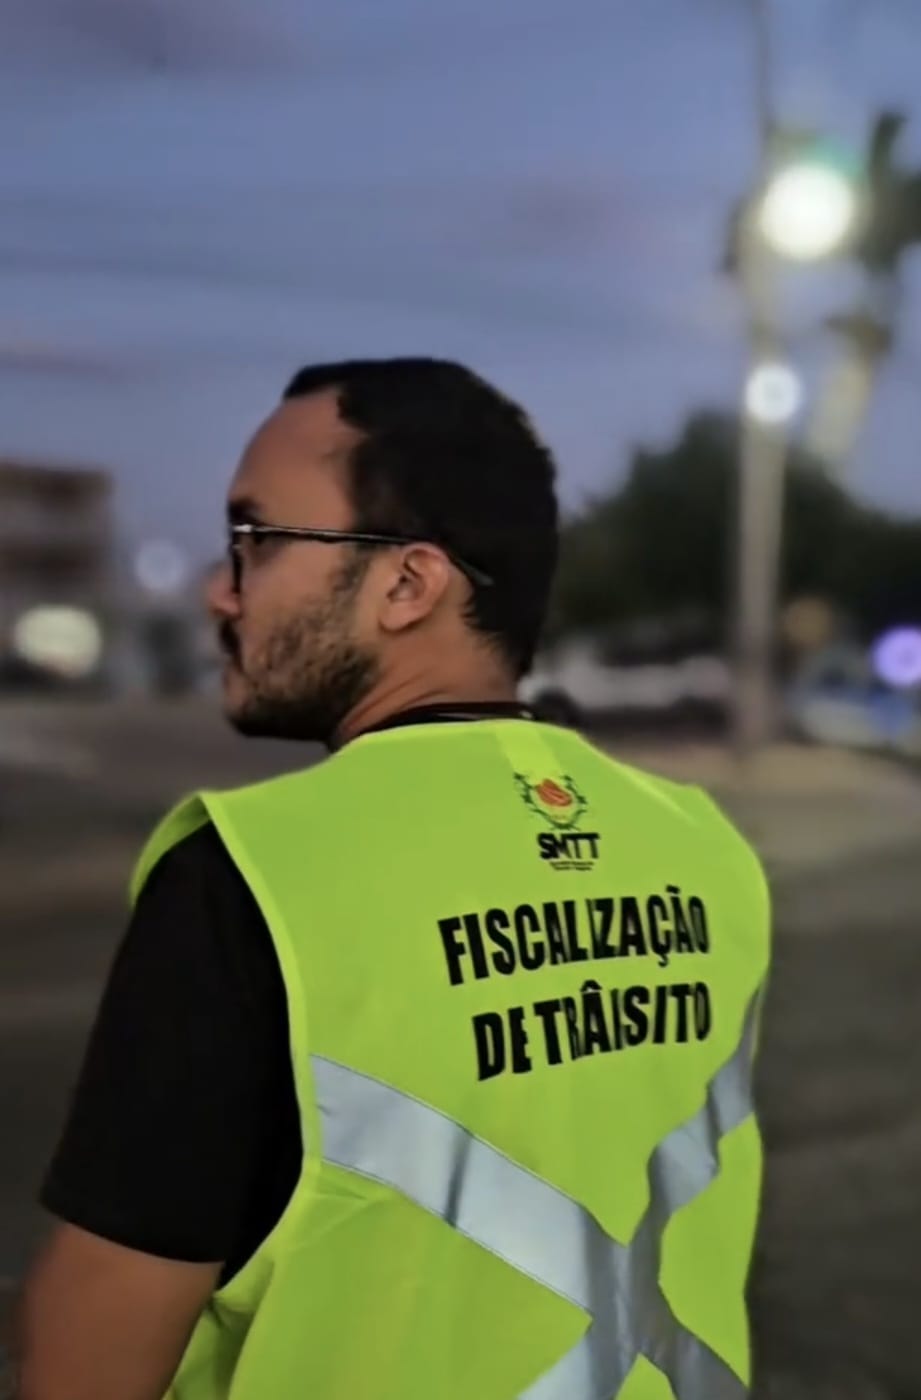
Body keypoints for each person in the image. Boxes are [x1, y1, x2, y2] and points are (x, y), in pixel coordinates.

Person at [15, 358, 770, 1400]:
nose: (218, 588)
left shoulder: (253, 874)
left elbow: (85, 1370)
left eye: (256, 538)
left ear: (409, 584)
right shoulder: (703, 845)